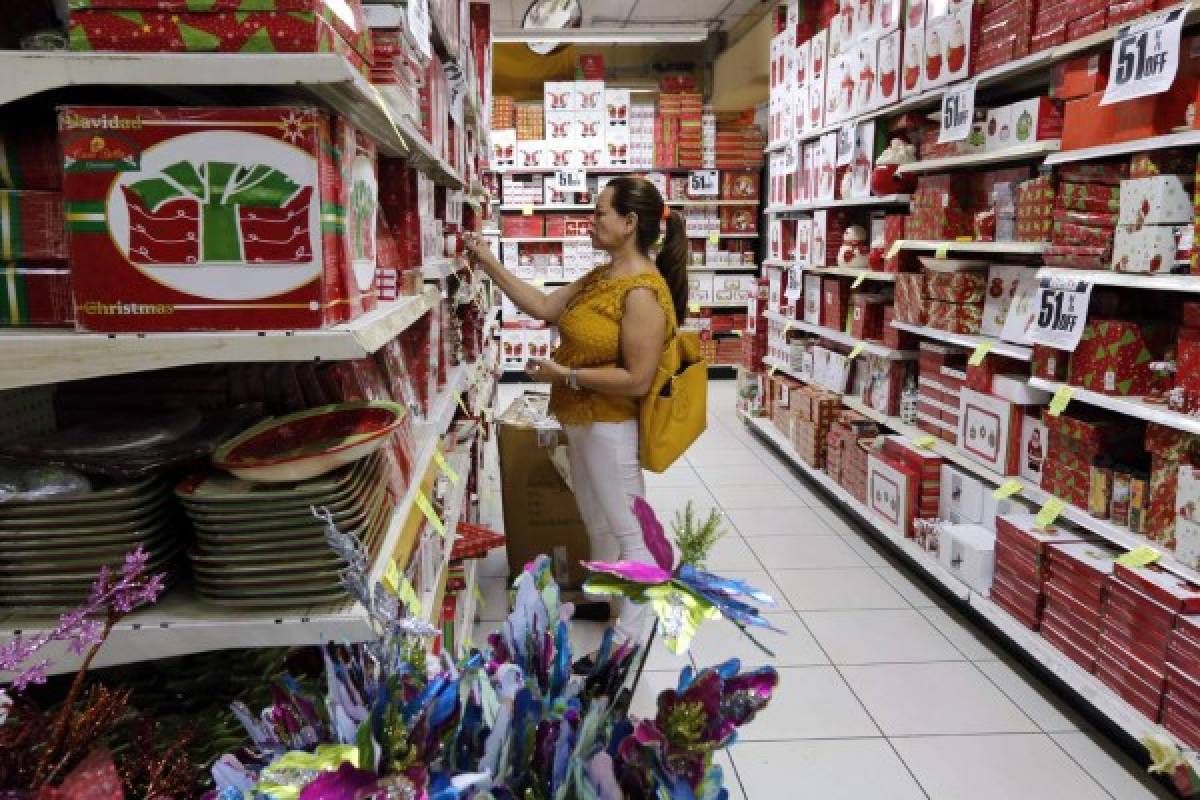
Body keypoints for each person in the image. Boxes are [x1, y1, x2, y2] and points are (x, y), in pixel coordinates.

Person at [463, 176, 689, 647]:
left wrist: (563, 374)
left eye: (600, 212)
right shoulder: (601, 277)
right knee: (598, 523)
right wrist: (486, 262)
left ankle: (628, 643)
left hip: (611, 427)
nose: (591, 221)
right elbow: (544, 306)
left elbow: (637, 379)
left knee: (632, 534)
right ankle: (611, 607)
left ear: (629, 223)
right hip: (584, 424)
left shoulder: (643, 291)